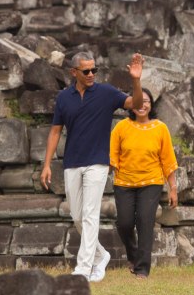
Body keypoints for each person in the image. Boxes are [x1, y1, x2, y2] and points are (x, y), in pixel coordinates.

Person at [40, 51, 144, 282]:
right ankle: (101, 255)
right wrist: (47, 164)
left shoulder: (106, 92)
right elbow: (55, 131)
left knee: (89, 215)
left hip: (98, 163)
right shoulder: (64, 98)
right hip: (72, 163)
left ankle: (83, 269)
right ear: (73, 72)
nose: (91, 74)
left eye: (94, 70)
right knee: (77, 215)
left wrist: (136, 80)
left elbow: (135, 104)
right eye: (86, 71)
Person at [109, 88, 178, 279]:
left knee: (145, 222)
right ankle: (133, 256)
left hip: (151, 182)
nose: (143, 105)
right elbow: (112, 157)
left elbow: (168, 161)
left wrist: (173, 188)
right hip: (124, 182)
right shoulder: (121, 127)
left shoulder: (160, 128)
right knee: (124, 223)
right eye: (139, 101)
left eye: (147, 101)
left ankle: (142, 269)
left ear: (151, 105)